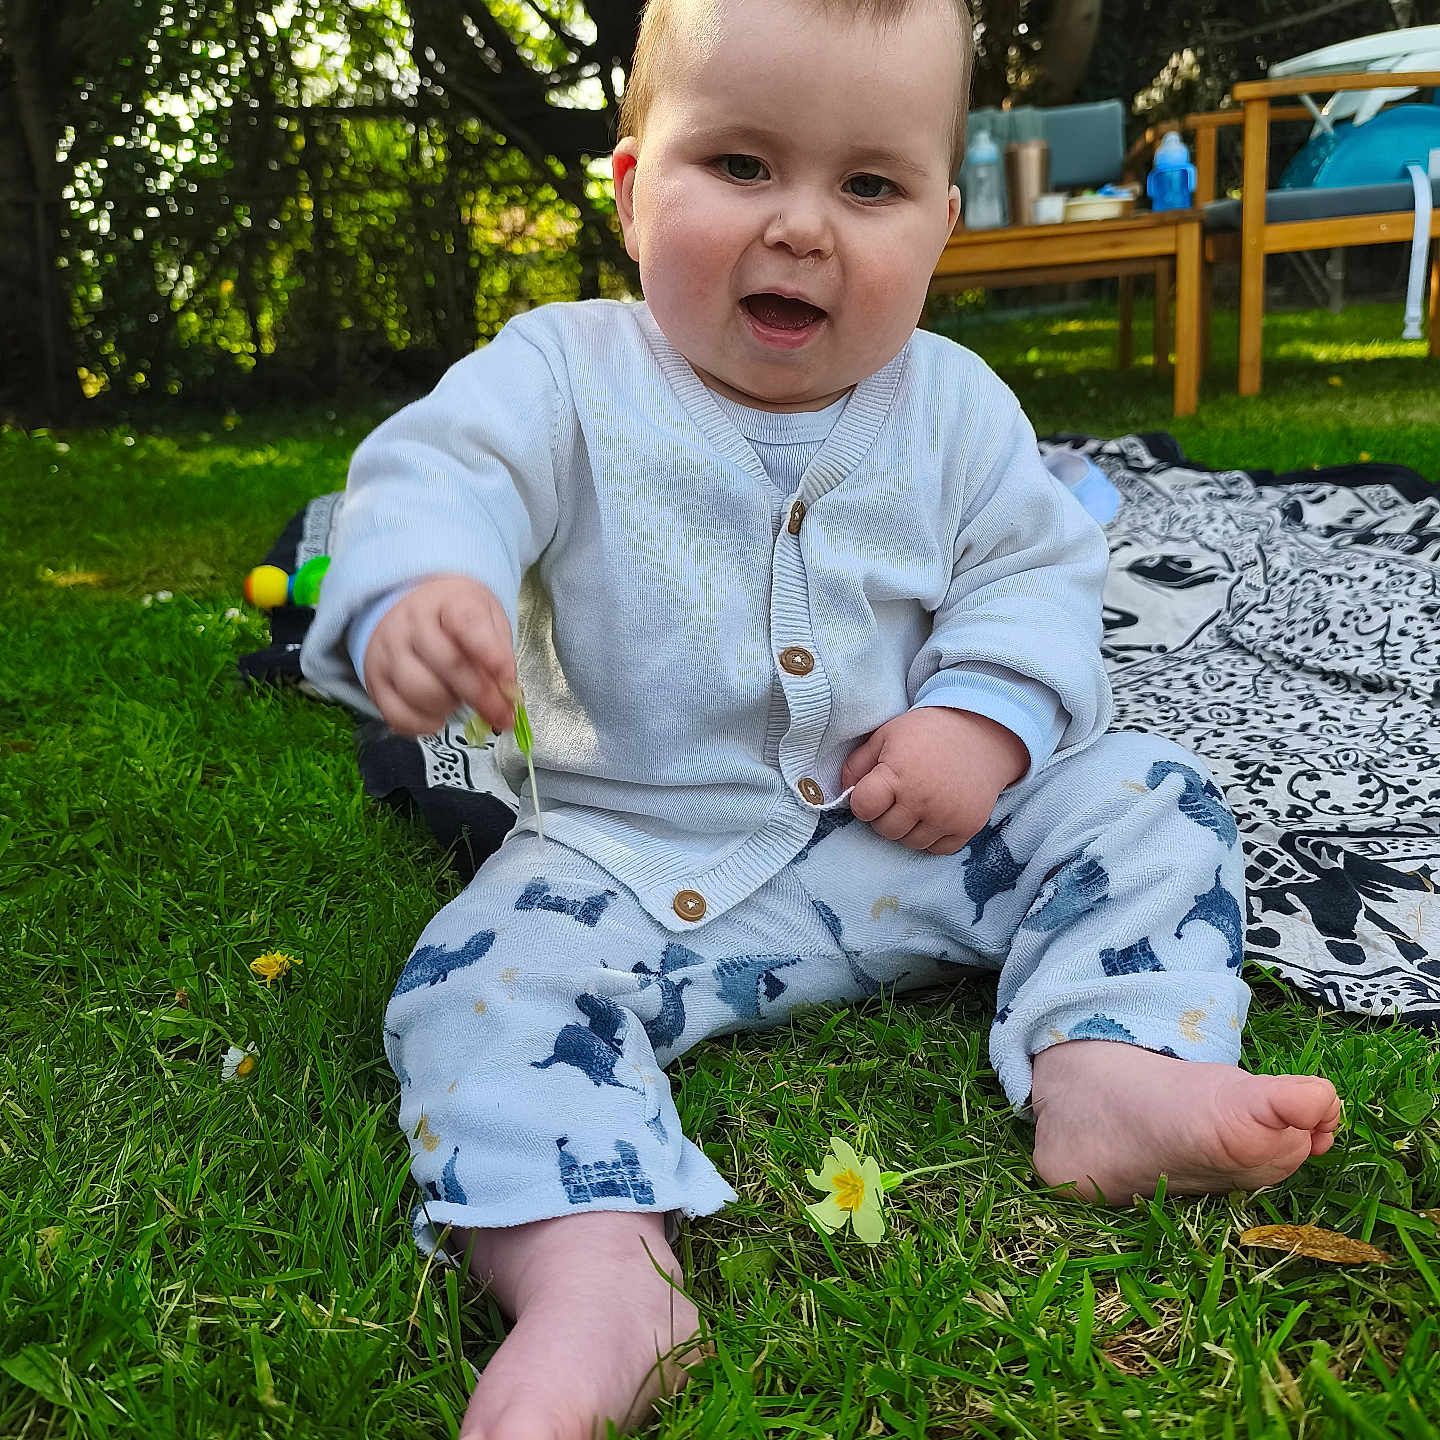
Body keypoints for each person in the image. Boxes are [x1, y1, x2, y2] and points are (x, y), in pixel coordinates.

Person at [301, 0, 1342, 1433]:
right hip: (630, 869)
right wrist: (423, 583)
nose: (803, 227)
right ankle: (598, 1270)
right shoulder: (563, 378)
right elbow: (444, 471)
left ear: (942, 220)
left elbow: (1036, 575)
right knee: (470, 990)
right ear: (629, 188)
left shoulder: (957, 410)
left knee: (1150, 792)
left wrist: (983, 722)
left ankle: (1112, 1061)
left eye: (868, 185)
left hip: (911, 842)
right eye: (739, 165)